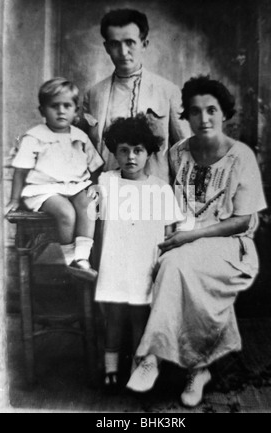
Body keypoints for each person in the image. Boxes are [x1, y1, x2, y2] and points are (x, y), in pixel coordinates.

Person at [127, 76, 267, 407]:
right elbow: (163, 198)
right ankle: (199, 369)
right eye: (195, 111)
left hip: (229, 244)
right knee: (170, 263)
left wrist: (191, 236)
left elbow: (243, 220)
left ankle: (151, 358)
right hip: (183, 238)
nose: (203, 119)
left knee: (177, 265)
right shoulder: (179, 153)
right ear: (186, 117)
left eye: (211, 110)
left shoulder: (240, 156)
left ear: (224, 114)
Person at [94, 114, 184, 388]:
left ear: (149, 153)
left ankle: (138, 366)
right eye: (124, 150)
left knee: (140, 319)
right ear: (115, 152)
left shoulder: (160, 189)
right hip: (115, 264)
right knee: (115, 318)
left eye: (138, 150)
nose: (131, 157)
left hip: (145, 265)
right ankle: (110, 371)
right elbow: (94, 223)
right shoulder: (107, 182)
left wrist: (163, 264)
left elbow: (170, 233)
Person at [5, 77, 104, 280]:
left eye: (67, 106)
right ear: (42, 111)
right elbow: (21, 171)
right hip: (44, 189)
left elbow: (94, 166)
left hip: (74, 186)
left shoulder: (80, 136)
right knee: (66, 213)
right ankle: (69, 259)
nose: (61, 111)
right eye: (54, 106)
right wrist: (14, 200)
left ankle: (82, 259)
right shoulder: (34, 136)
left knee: (88, 205)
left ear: (76, 110)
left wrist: (93, 186)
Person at [83, 8, 189, 183]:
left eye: (130, 42)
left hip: (154, 194)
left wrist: (186, 204)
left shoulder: (167, 91)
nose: (123, 52)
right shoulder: (94, 94)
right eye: (115, 44)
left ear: (144, 44)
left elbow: (185, 153)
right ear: (107, 47)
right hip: (108, 193)